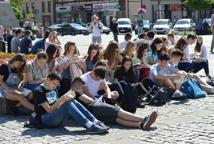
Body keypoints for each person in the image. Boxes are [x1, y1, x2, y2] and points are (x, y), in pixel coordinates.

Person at [70, 77, 158, 130]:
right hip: (94, 107)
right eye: (81, 85)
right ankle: (144, 119)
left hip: (92, 114)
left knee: (116, 119)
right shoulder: (76, 92)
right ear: (77, 84)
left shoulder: (71, 93)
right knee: (118, 111)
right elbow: (89, 101)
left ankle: (140, 125)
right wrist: (99, 97)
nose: (82, 87)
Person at [33, 73, 109, 134]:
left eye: (57, 84)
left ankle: (94, 121)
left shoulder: (53, 88)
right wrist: (61, 99)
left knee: (72, 101)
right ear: (48, 80)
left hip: (53, 116)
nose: (55, 86)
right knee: (68, 103)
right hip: (45, 119)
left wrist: (65, 99)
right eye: (54, 83)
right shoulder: (39, 91)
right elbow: (49, 110)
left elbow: (55, 105)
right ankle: (88, 125)